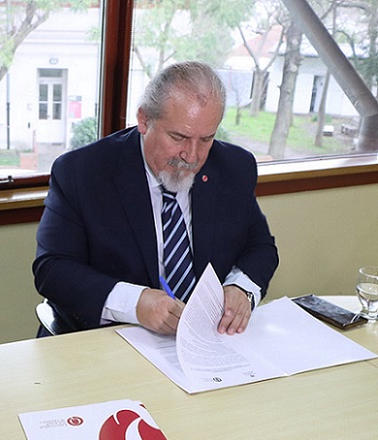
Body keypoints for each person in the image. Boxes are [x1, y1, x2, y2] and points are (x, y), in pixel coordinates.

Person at [34, 61, 278, 337]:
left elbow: (260, 247)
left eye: (206, 139)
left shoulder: (234, 167)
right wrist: (135, 303)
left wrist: (241, 288)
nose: (192, 156)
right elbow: (52, 269)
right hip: (107, 339)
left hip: (204, 340)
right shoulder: (82, 173)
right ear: (144, 120)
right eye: (179, 137)